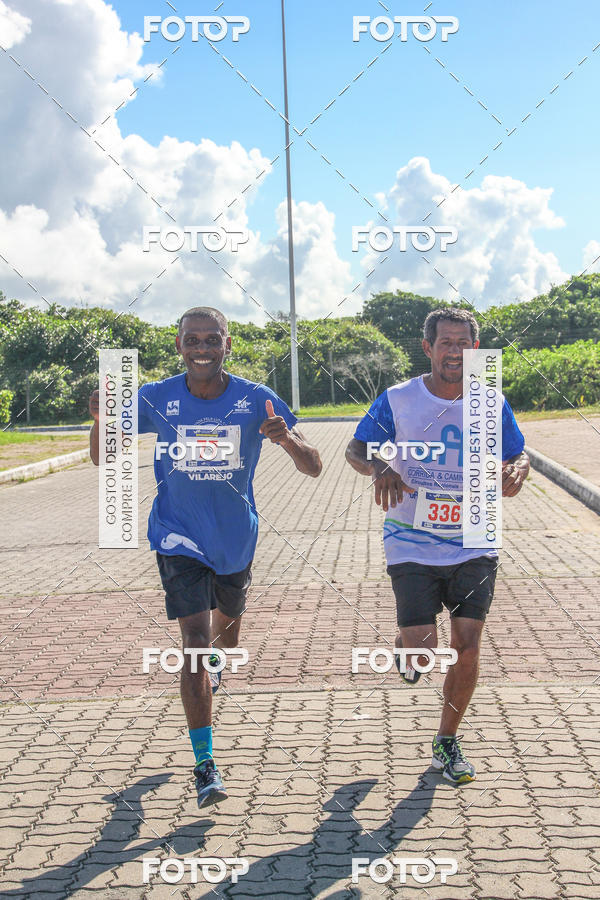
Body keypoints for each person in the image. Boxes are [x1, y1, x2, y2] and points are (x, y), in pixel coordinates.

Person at [89, 307, 322, 807]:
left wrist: (287, 441)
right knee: (194, 642)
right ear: (178, 345)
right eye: (191, 339)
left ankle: (220, 659)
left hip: (235, 537)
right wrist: (100, 420)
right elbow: (102, 456)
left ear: (227, 344)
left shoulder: (257, 398)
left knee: (227, 634)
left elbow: (314, 467)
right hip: (177, 536)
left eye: (211, 339)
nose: (201, 348)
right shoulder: (154, 396)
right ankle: (205, 764)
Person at [345, 308, 529, 785]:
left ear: (475, 349)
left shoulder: (492, 401)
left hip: (475, 539)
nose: (455, 351)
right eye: (445, 343)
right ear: (428, 349)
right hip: (411, 540)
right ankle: (410, 645)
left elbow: (517, 452)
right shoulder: (398, 399)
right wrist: (381, 468)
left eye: (463, 343)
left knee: (467, 647)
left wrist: (519, 468)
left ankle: (446, 742)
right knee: (425, 657)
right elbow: (357, 447)